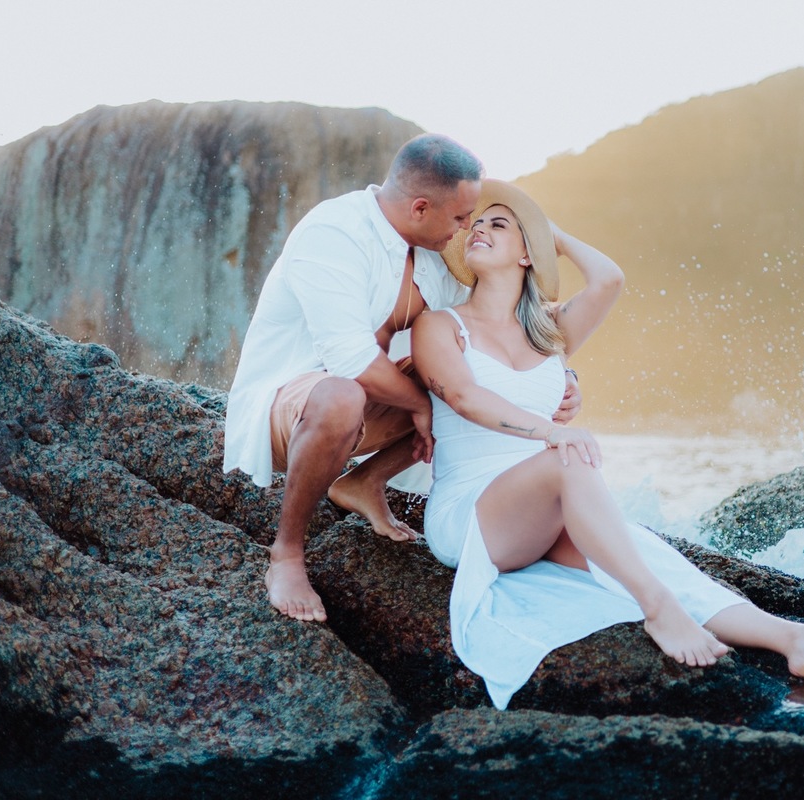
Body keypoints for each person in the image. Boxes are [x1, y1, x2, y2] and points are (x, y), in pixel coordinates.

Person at [411, 180, 804, 709]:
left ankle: (792, 639)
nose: (479, 228)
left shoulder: (549, 331)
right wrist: (550, 430)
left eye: (498, 224)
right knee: (570, 463)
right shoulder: (441, 325)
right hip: (471, 515)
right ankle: (659, 609)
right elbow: (463, 395)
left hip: (539, 509)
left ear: (528, 253)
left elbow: (609, 279)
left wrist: (553, 236)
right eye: (476, 224)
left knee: (643, 550)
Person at [223, 134, 582, 623]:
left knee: (464, 373)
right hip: (291, 407)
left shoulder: (433, 257)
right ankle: (286, 554)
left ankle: (363, 482)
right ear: (419, 207)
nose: (464, 230)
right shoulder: (335, 231)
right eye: (459, 217)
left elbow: (499, 327)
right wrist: (418, 404)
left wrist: (563, 376)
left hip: (368, 407)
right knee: (342, 395)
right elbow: (348, 358)